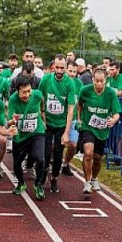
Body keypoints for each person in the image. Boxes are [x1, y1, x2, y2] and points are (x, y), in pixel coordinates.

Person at [77, 68, 121, 194]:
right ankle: (87, 182)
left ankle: (94, 178)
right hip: (88, 126)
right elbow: (79, 104)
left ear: (105, 81)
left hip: (102, 130)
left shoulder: (110, 93)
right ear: (92, 80)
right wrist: (79, 119)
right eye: (97, 81)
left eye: (102, 81)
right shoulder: (85, 90)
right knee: (88, 153)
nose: (99, 84)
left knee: (97, 158)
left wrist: (113, 120)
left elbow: (117, 113)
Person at [38, 55, 77, 193]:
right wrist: (41, 115)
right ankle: (44, 171)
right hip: (47, 122)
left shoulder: (69, 84)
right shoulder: (46, 79)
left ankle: (54, 178)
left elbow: (71, 110)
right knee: (46, 152)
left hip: (61, 124)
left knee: (59, 153)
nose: (59, 70)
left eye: (62, 68)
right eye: (57, 67)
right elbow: (39, 97)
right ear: (53, 66)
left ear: (66, 67)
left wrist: (67, 132)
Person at [8, 75, 46, 200]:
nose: (27, 94)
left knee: (40, 158)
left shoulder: (37, 95)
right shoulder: (13, 99)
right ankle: (21, 183)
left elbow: (42, 100)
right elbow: (9, 119)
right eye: (23, 92)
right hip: (21, 136)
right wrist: (12, 122)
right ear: (17, 91)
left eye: (29, 91)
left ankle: (38, 184)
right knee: (17, 163)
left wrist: (42, 112)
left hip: (36, 132)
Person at [61, 61, 83, 175]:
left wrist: (79, 118)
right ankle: (50, 162)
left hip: (73, 118)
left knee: (73, 145)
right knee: (54, 145)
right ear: (65, 70)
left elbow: (80, 103)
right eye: (70, 71)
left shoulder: (79, 84)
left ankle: (65, 164)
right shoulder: (60, 82)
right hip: (59, 119)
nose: (72, 74)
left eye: (75, 71)